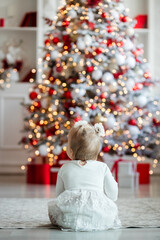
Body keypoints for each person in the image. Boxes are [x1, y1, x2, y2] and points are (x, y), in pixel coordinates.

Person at [48, 120, 121, 231]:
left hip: (70, 219)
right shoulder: (102, 167)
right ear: (97, 152)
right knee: (111, 211)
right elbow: (113, 195)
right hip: (99, 218)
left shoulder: (65, 168)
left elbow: (59, 195)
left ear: (71, 152)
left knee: (54, 210)